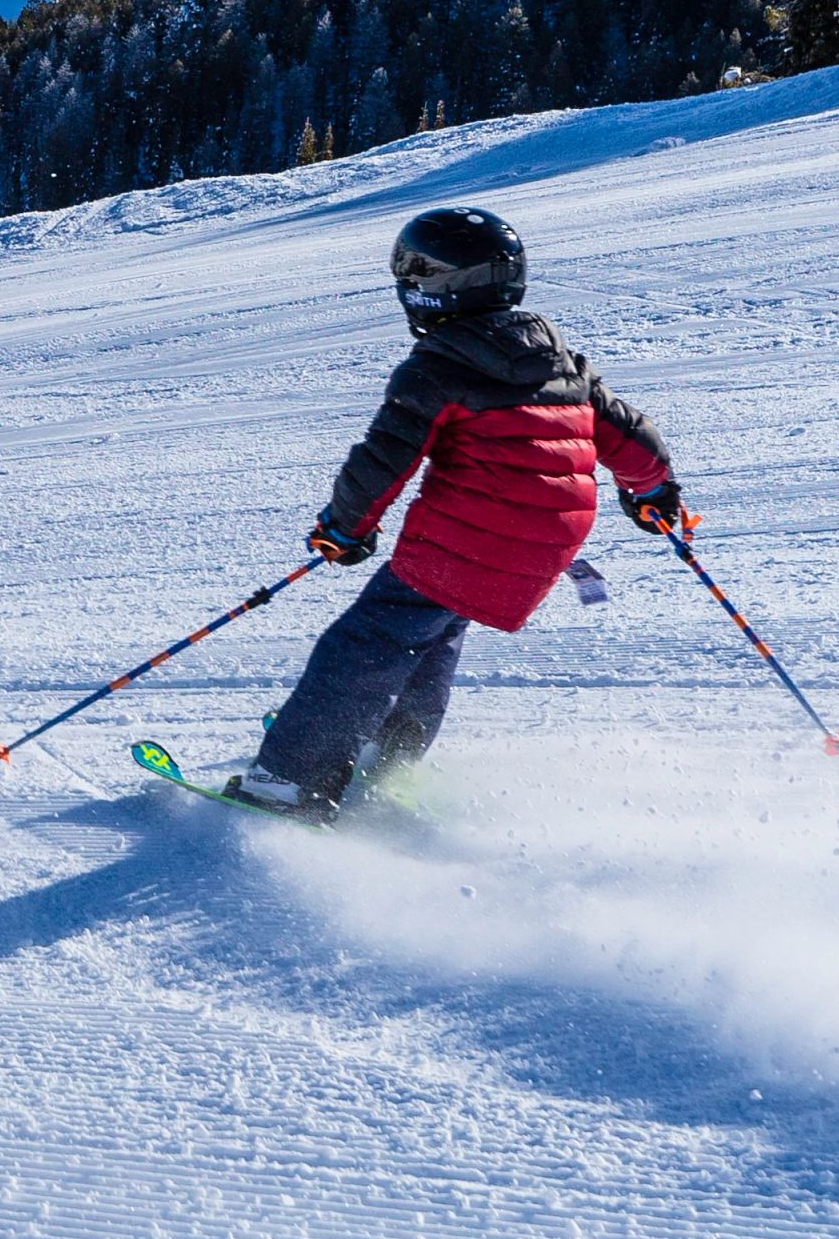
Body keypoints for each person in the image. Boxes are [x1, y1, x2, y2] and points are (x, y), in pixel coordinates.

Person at [228, 207, 682, 816]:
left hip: (474, 535)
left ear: (440, 288)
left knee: (367, 643)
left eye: (415, 271)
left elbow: (385, 459)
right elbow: (630, 435)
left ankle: (291, 779)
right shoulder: (559, 360)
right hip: (547, 542)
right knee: (435, 635)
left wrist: (345, 528)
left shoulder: (438, 365)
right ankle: (388, 761)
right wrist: (652, 493)